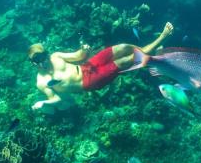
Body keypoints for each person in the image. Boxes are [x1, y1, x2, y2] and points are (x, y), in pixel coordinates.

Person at [30, 22, 174, 110]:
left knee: (123, 47)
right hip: (89, 82)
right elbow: (56, 99)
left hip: (87, 65)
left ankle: (148, 52)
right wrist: (43, 103)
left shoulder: (55, 56)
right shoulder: (42, 82)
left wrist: (84, 50)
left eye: (44, 55)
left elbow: (78, 57)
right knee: (124, 61)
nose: (45, 60)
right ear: (34, 63)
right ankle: (161, 37)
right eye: (40, 59)